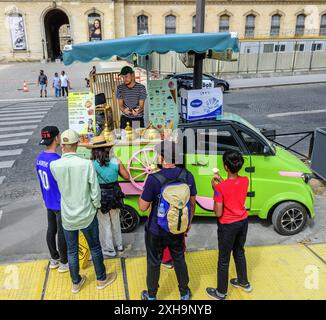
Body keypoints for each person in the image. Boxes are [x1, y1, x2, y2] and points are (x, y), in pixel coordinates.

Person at [50, 129, 116, 294]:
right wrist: (96, 205)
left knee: (72, 250)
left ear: (63, 146)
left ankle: (76, 283)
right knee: (95, 247)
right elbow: (95, 191)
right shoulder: (86, 164)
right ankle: (101, 279)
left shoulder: (54, 165)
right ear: (77, 144)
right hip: (87, 213)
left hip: (67, 215)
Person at [139, 140, 197, 300]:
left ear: (163, 157)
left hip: (156, 230)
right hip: (178, 227)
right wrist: (188, 224)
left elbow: (143, 207)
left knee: (153, 262)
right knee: (179, 258)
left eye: (158, 154)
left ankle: (151, 296)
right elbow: (192, 204)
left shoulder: (153, 179)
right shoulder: (187, 175)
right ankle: (184, 293)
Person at [206, 150, 252, 300]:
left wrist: (216, 189)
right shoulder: (245, 180)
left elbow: (218, 213)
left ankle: (220, 292)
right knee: (239, 252)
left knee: (224, 259)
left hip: (227, 225)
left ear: (226, 167)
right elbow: (233, 186)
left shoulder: (220, 188)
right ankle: (243, 282)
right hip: (243, 221)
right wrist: (222, 182)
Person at [88, 135, 130, 257]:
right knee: (116, 220)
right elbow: (127, 177)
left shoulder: (91, 164)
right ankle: (119, 245)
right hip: (115, 194)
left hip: (101, 195)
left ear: (94, 150)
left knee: (104, 223)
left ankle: (109, 249)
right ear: (107, 148)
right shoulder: (116, 161)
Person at [36, 126, 68, 272]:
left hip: (48, 200)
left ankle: (53, 259)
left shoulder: (39, 158)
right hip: (59, 202)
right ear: (56, 138)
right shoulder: (57, 161)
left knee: (51, 230)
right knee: (62, 233)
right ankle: (64, 262)